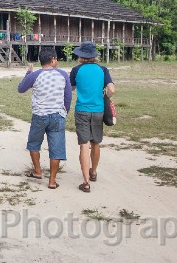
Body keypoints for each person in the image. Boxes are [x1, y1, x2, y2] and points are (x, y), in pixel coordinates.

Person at [18, 47, 71, 189]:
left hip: (40, 115)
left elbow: (21, 89)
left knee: (34, 143)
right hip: (58, 115)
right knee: (57, 148)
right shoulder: (63, 75)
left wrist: (28, 72)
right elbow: (68, 96)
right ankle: (52, 181)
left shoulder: (34, 75)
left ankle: (37, 170)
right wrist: (65, 110)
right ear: (53, 60)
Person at [70, 41, 116, 193]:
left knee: (84, 144)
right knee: (96, 142)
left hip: (82, 110)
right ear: (95, 56)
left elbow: (71, 88)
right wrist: (105, 97)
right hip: (98, 110)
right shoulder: (103, 70)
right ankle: (94, 172)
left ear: (81, 56)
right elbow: (112, 90)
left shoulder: (76, 70)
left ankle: (86, 182)